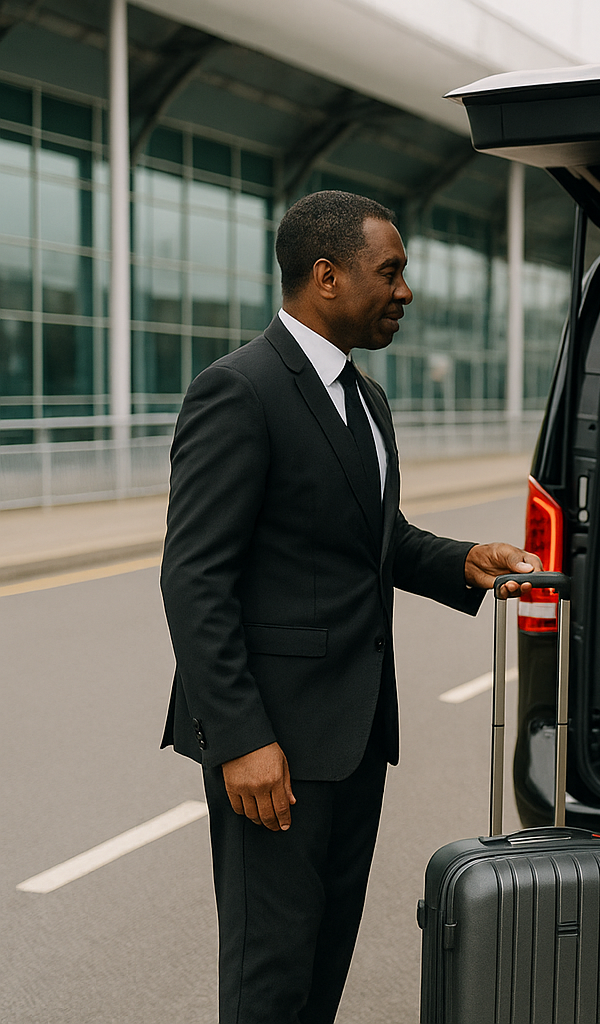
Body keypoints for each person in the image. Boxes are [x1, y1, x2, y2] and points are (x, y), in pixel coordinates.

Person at [160, 190, 538, 1024]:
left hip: (354, 735)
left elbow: (375, 539)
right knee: (272, 977)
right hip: (276, 749)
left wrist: (463, 563)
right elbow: (194, 579)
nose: (405, 292)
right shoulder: (240, 391)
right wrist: (242, 738)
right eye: (390, 271)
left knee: (322, 964)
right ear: (327, 277)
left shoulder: (366, 400)